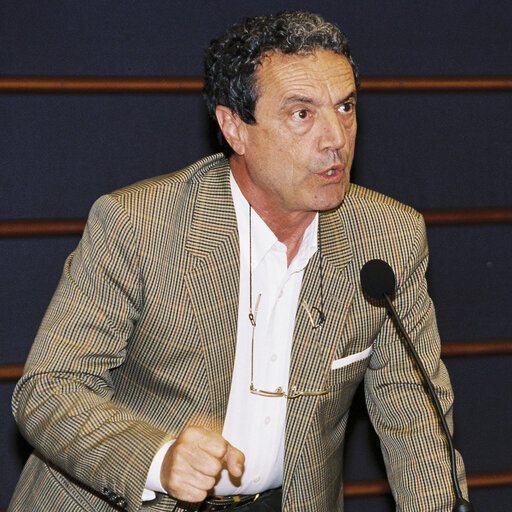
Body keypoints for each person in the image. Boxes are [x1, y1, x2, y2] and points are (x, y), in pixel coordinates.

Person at [9, 10, 468, 512]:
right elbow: (49, 390)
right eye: (302, 114)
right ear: (234, 128)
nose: (335, 137)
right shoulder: (139, 224)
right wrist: (158, 459)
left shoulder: (387, 237)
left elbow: (416, 421)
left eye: (345, 107)